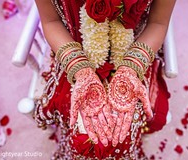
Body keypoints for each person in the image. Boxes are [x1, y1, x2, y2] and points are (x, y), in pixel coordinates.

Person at [34, 0, 176, 159]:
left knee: (120, 135)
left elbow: (158, 23)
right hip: (73, 50)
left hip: (136, 50)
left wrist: (132, 67)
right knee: (84, 138)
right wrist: (80, 69)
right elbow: (51, 22)